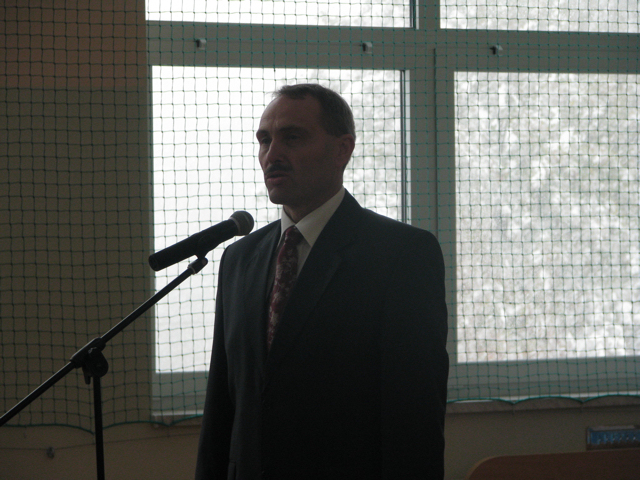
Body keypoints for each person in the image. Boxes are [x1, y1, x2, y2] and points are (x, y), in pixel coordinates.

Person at [195, 84, 449, 479]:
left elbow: (415, 417)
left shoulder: (401, 254)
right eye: (264, 140)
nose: (272, 154)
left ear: (342, 149)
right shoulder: (239, 259)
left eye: (292, 137)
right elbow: (221, 408)